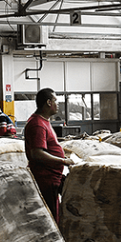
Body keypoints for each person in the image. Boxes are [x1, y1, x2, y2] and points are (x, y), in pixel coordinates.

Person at [24, 88, 74, 223]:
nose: (58, 104)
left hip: (53, 177)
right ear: (48, 102)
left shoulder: (44, 121)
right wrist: (63, 161)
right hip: (45, 179)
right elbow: (37, 153)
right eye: (55, 100)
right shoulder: (37, 124)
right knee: (50, 218)